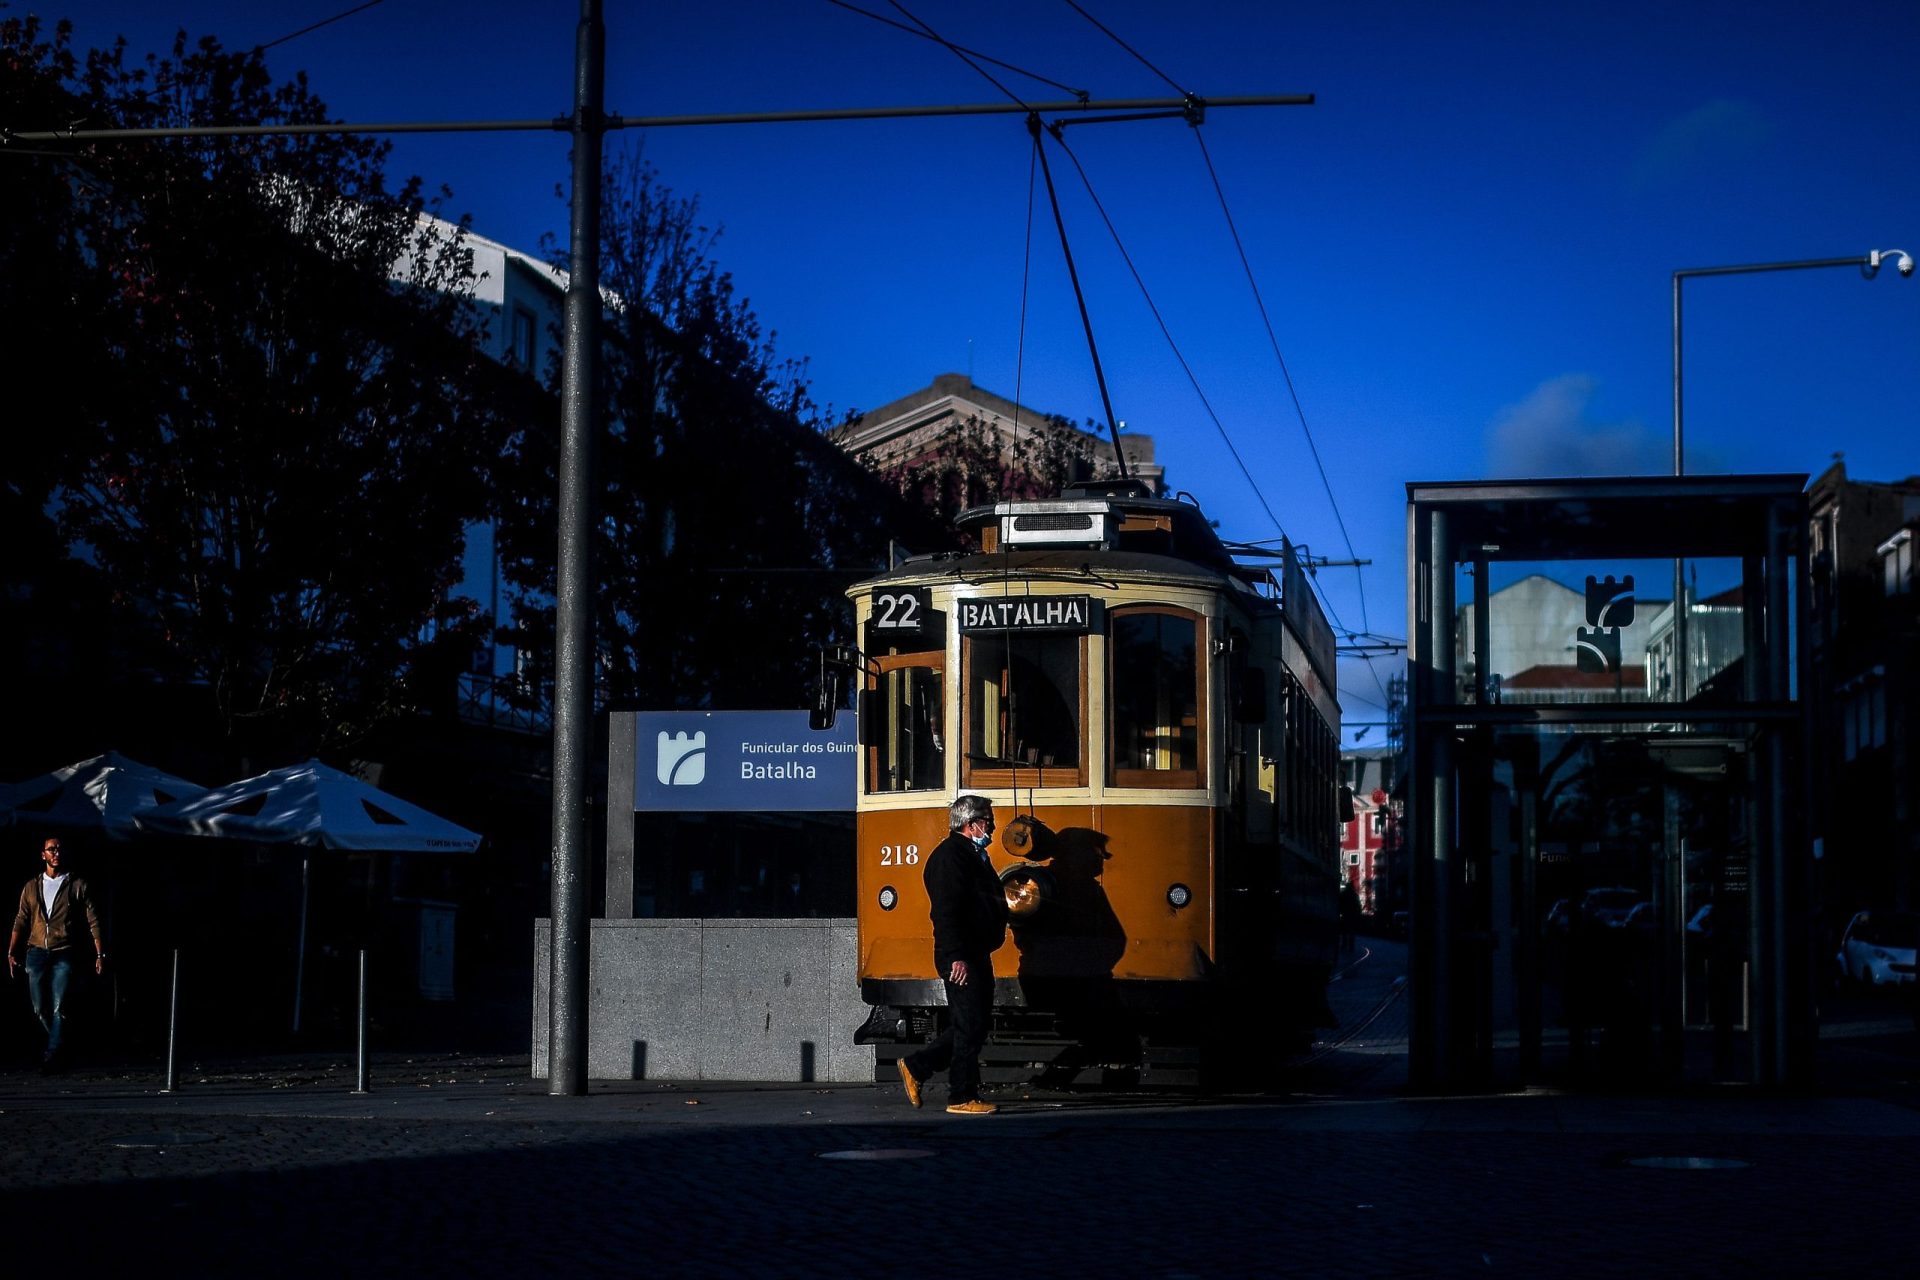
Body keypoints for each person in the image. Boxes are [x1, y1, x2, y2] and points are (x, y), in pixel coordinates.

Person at [897, 794, 1008, 1116]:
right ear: (971, 824)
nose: (993, 825)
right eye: (987, 820)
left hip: (973, 951)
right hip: (961, 955)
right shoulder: (951, 857)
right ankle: (961, 1096)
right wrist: (957, 956)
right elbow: (946, 913)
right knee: (970, 1023)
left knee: (973, 1022)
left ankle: (918, 1066)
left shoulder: (970, 855)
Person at [8, 837, 105, 1071]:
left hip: (64, 950)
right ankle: (61, 1046)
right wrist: (11, 950)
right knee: (39, 1007)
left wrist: (100, 953)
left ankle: (52, 1053)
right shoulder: (32, 886)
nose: (56, 853)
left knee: (60, 1005)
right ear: (43, 854)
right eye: (51, 850)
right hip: (37, 951)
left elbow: (93, 920)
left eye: (59, 849)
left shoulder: (76, 885)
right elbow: (21, 918)